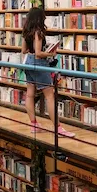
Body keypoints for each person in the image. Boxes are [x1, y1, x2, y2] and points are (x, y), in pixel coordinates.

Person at [21, 7, 75, 137]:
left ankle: (34, 124)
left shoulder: (26, 31)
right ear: (39, 18)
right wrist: (50, 54)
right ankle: (58, 128)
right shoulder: (38, 32)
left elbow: (24, 50)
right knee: (50, 96)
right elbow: (39, 54)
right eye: (43, 16)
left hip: (28, 62)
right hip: (39, 64)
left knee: (29, 94)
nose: (45, 18)